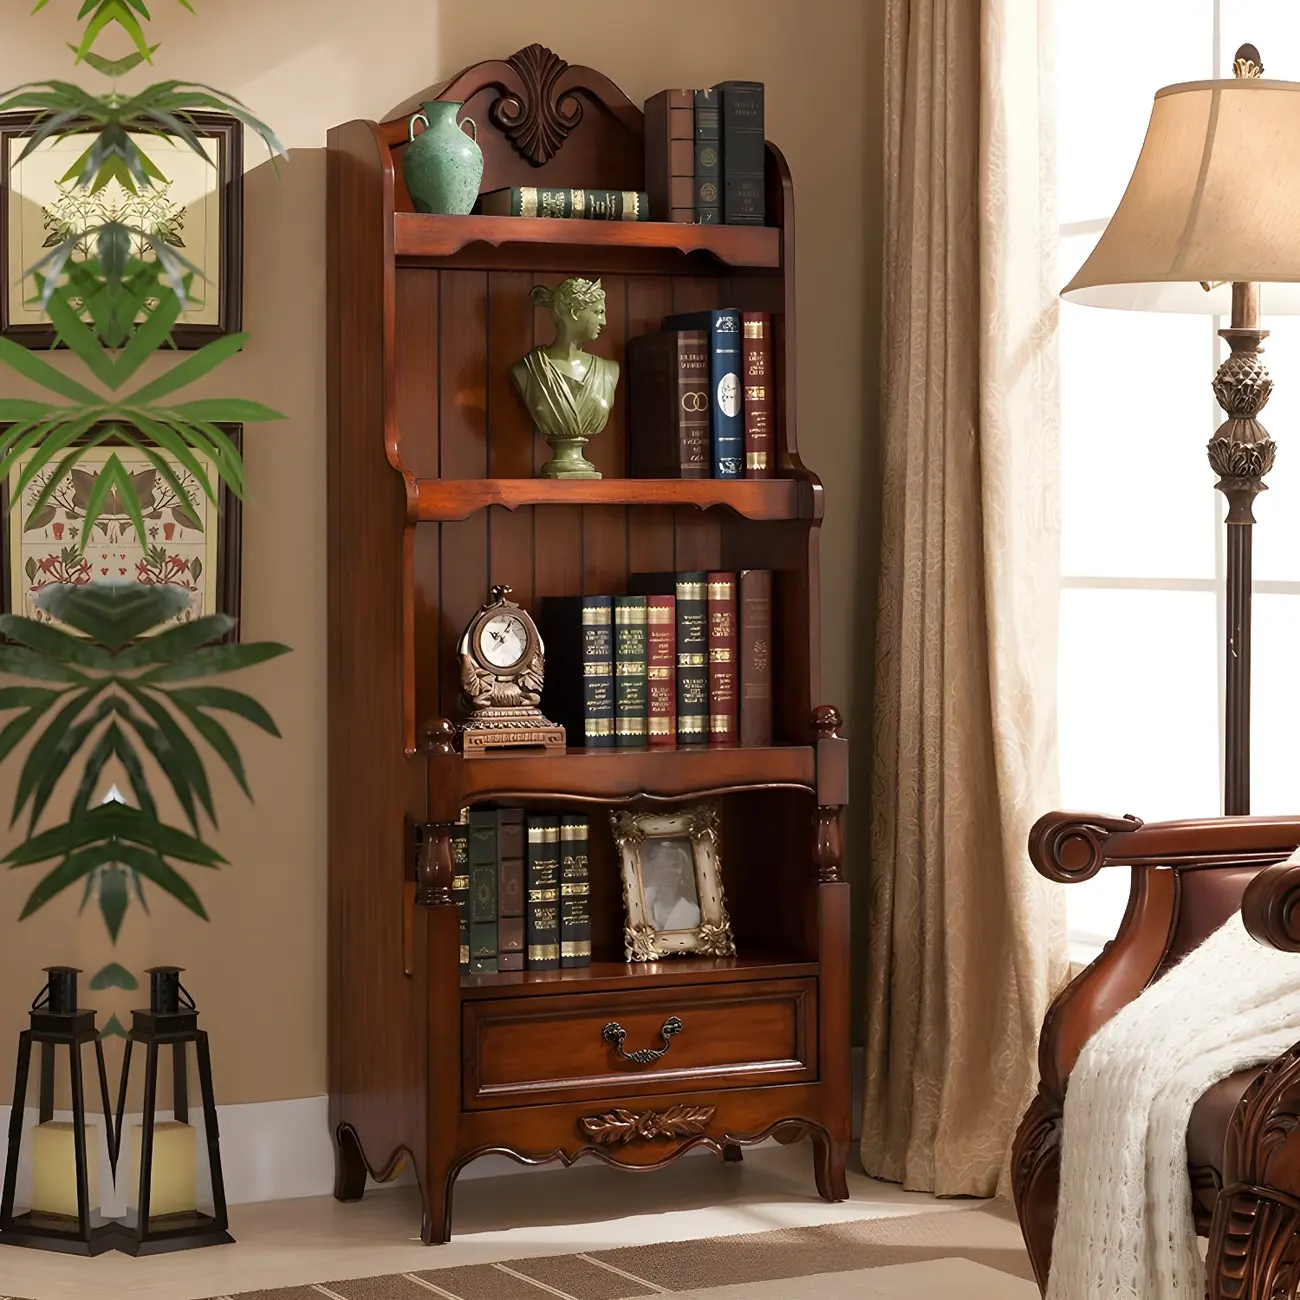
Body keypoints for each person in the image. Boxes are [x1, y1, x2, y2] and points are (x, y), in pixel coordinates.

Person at [510, 277, 619, 478]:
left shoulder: (609, 371)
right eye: (598, 312)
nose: (604, 321)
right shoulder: (528, 370)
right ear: (575, 312)